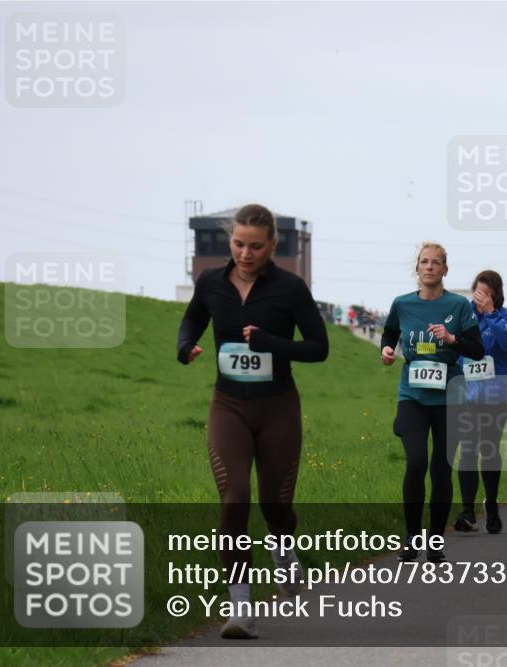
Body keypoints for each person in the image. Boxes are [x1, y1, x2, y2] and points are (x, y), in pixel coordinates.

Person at [176, 204, 330, 639]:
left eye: (255, 246)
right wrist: (185, 345)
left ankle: (284, 552)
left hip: (278, 406)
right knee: (234, 498)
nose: (245, 253)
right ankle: (239, 606)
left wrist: (270, 343)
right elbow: (192, 319)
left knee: (275, 506)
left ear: (272, 245)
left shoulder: (290, 288)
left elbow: (319, 348)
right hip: (229, 406)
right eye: (238, 244)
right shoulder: (211, 283)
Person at [380, 242, 485, 563]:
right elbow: (389, 334)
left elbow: (477, 350)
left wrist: (453, 339)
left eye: (435, 263)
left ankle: (435, 539)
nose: (429, 267)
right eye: (424, 262)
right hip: (412, 394)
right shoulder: (402, 304)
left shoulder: (459, 305)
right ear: (417, 268)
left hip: (450, 397)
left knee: (442, 469)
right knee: (416, 462)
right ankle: (412, 537)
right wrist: (385, 350)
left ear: (444, 269)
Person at [453, 270, 507, 534]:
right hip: (466, 395)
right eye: (478, 293)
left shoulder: (505, 317)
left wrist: (491, 314)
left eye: (487, 294)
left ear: (496, 295)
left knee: (489, 449)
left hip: (496, 396)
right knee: (468, 448)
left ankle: (491, 505)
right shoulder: (463, 317)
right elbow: (452, 348)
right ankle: (468, 512)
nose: (481, 298)